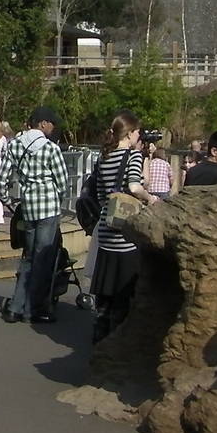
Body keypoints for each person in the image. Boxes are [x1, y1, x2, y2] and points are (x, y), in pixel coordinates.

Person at [88, 111, 156, 341]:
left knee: (105, 290)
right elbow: (135, 187)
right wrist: (151, 199)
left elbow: (99, 194)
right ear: (129, 133)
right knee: (123, 291)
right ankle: (117, 342)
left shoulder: (104, 157)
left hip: (106, 228)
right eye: (138, 132)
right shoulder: (133, 156)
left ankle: (99, 336)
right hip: (126, 233)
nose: (140, 136)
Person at [0, 106, 67, 325]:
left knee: (28, 257)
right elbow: (62, 183)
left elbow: (0, 182)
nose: (53, 127)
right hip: (49, 209)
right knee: (43, 258)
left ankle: (15, 307)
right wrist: (57, 200)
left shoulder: (15, 145)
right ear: (43, 124)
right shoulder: (51, 149)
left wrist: (10, 202)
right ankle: (32, 309)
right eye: (51, 123)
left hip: (28, 208)